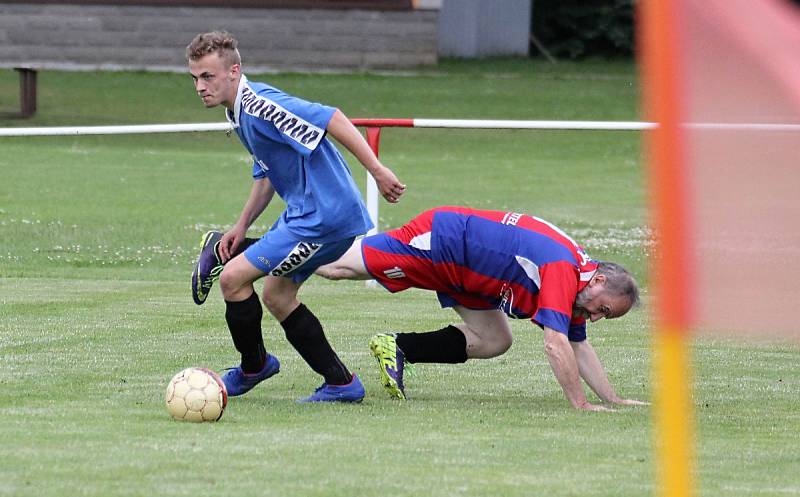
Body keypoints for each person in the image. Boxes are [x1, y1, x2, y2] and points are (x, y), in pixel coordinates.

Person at [185, 31, 405, 403]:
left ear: (233, 71)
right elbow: (268, 172)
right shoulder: (237, 113)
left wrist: (377, 171)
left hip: (323, 218)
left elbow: (331, 117)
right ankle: (341, 383)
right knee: (277, 294)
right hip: (305, 215)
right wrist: (240, 226)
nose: (199, 87)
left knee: (233, 280)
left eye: (207, 77)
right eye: (194, 78)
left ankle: (254, 367)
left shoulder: (260, 105)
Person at [316, 206, 648, 411]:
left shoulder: (580, 283)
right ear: (599, 279)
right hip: (444, 242)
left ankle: (399, 347)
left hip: (469, 275)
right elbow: (555, 344)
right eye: (602, 309)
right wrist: (581, 404)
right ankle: (275, 250)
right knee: (336, 268)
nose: (595, 317)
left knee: (494, 340)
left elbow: (578, 345)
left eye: (605, 316)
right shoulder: (564, 268)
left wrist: (613, 399)